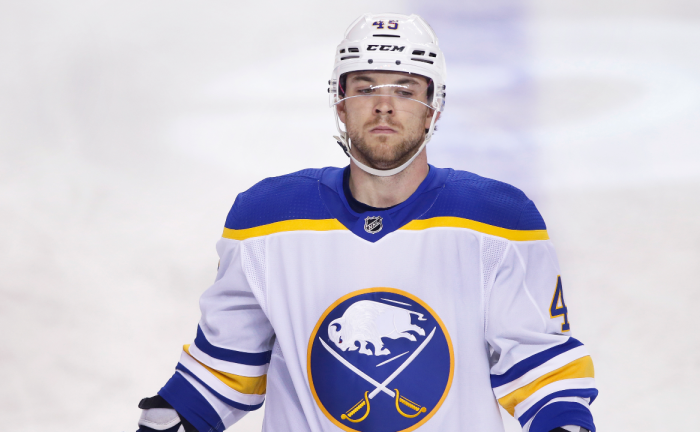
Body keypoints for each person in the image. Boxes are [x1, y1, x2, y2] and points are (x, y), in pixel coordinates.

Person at [136, 13, 597, 432]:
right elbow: (225, 368)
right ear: (340, 103)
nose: (384, 105)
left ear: (433, 107)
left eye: (404, 88)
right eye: (365, 87)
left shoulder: (499, 221)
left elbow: (541, 368)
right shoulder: (266, 220)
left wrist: (565, 424)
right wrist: (173, 417)